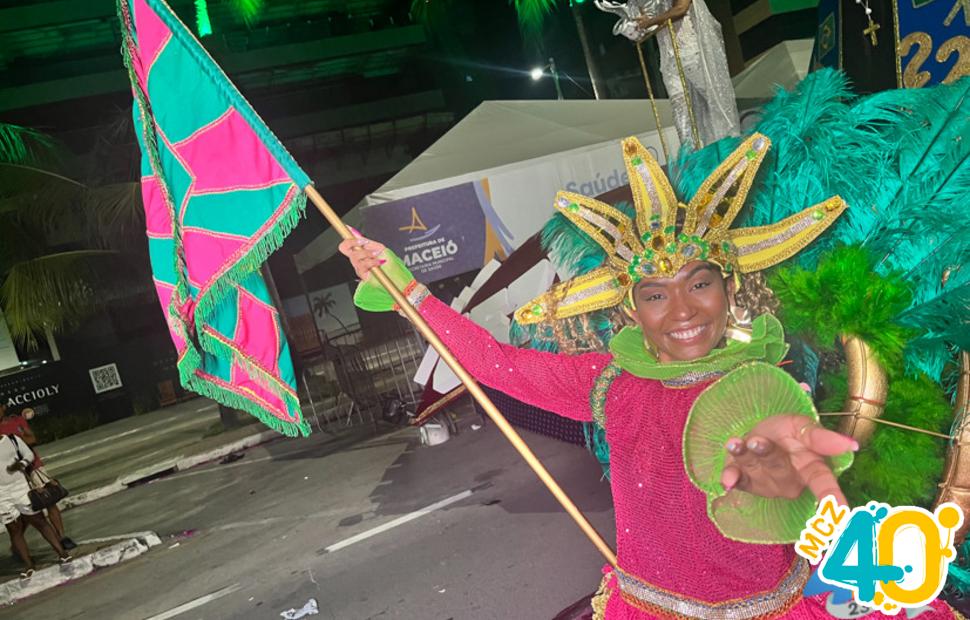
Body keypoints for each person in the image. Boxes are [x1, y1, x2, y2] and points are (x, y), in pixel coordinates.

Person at [339, 134, 960, 618]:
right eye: (656, 295)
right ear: (629, 308)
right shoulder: (607, 384)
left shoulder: (774, 382)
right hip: (648, 609)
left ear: (731, 286)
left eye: (699, 284)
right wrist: (410, 293)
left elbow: (798, 501)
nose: (684, 311)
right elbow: (497, 365)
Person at [0, 406, 76, 551]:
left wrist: (16, 441)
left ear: (3, 408)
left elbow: (32, 438)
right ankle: (16, 546)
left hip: (33, 467)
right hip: (13, 476)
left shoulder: (17, 420)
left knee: (49, 500)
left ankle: (62, 537)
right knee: (24, 513)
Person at [0, 426, 71, 579]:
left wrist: (22, 463)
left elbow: (29, 454)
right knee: (14, 529)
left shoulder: (12, 440)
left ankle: (62, 553)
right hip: (1, 494)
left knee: (38, 520)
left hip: (20, 488)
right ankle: (29, 565)